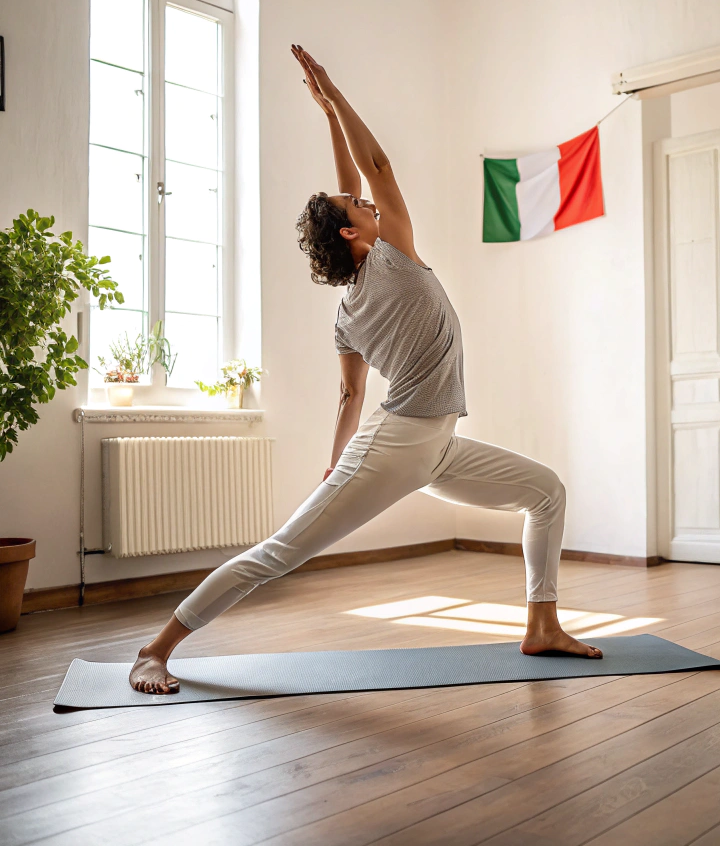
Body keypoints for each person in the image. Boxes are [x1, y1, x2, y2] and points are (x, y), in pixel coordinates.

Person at [129, 45, 601, 694]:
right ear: (354, 235)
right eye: (358, 207)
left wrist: (328, 114)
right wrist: (335, 91)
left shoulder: (350, 308)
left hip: (430, 446)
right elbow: (373, 165)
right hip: (395, 446)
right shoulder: (394, 256)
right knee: (279, 555)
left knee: (545, 491)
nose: (370, 203)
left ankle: (542, 625)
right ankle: (155, 649)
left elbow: (349, 397)